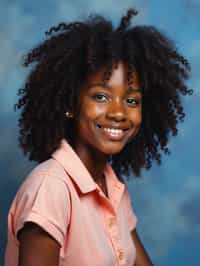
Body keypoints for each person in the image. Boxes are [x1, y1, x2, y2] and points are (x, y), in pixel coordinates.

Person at [4, 7, 193, 266]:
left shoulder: (112, 188)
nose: (118, 112)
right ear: (70, 104)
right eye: (101, 97)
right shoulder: (51, 189)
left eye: (131, 100)